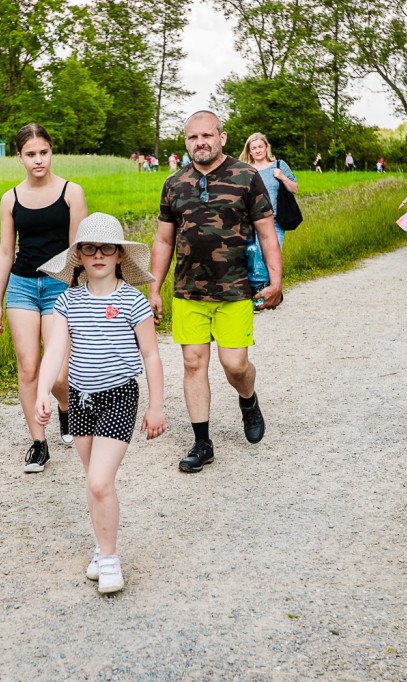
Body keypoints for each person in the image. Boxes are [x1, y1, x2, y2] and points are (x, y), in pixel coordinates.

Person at [34, 212, 165, 595]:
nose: (98, 255)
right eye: (89, 248)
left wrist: (156, 406)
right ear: (79, 256)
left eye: (107, 247)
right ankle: (102, 544)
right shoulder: (67, 301)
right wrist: (44, 392)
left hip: (120, 397)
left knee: (98, 480)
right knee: (96, 484)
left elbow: (152, 357)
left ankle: (109, 558)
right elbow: (55, 349)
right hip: (80, 398)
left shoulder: (133, 301)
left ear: (120, 254)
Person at [150, 110, 281, 473]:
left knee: (234, 364)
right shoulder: (174, 183)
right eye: (193, 137)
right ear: (186, 141)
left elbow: (267, 233)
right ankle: (202, 442)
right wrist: (154, 288)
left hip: (236, 290)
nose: (200, 142)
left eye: (207, 135)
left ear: (222, 137)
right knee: (193, 364)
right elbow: (163, 239)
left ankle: (248, 399)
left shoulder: (246, 176)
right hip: (188, 291)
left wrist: (276, 281)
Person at [0, 123, 88, 473]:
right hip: (22, 287)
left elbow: (79, 250)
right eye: (30, 154)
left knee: (60, 375)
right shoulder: (11, 198)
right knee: (28, 366)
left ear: (51, 152)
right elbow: (5, 252)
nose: (38, 160)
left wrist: (79, 295)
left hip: (61, 287)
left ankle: (65, 408)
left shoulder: (71, 192)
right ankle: (38, 443)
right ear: (19, 157)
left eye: (43, 152)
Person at [238, 132, 298, 300]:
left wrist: (282, 177)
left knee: (270, 257)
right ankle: (261, 291)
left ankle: (272, 291)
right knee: (253, 256)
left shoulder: (278, 165)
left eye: (260, 147)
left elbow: (294, 188)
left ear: (266, 147)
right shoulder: (245, 169)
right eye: (253, 148)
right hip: (251, 222)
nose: (258, 150)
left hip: (275, 222)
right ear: (249, 151)